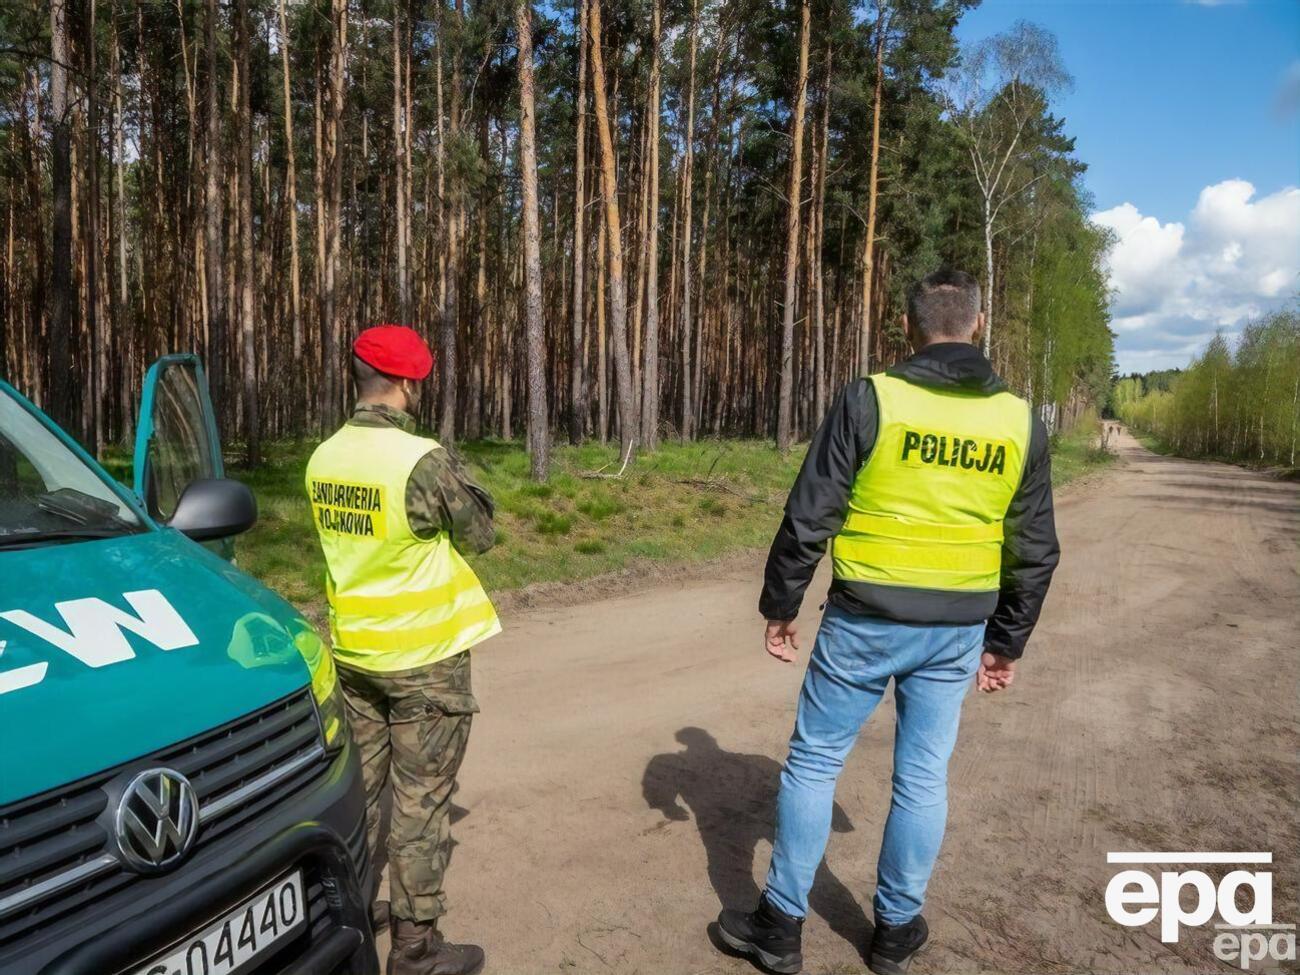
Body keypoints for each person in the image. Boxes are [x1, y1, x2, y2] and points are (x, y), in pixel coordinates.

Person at [716, 270, 1060, 975]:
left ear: (907, 326)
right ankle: (896, 932)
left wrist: (781, 605)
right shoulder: (1020, 420)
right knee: (922, 778)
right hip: (958, 628)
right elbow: (1035, 546)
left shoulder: (872, 397)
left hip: (864, 619)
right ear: (980, 323)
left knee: (813, 762)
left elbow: (809, 514)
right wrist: (1006, 641)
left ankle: (780, 928)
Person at [306, 324, 499, 975]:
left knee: (362, 793)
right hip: (424, 659)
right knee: (420, 799)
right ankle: (416, 947)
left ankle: (351, 908)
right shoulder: (421, 459)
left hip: (356, 654)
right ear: (409, 382)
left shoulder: (322, 457)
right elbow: (481, 533)